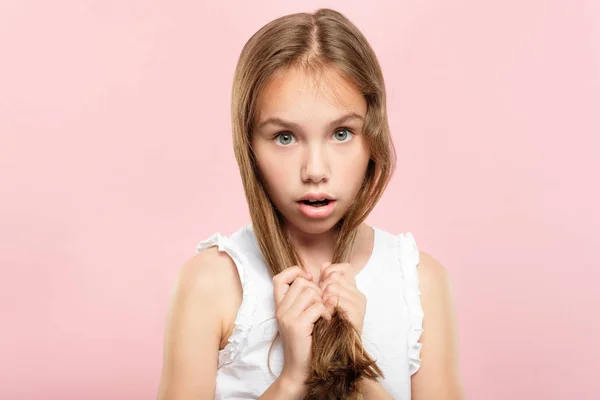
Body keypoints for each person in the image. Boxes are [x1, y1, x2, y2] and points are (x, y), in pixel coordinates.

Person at [157, 8, 462, 400]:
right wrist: (292, 378)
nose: (315, 170)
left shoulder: (418, 283)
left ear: (373, 136)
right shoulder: (212, 284)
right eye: (285, 137)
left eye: (341, 133)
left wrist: (356, 365)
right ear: (249, 145)